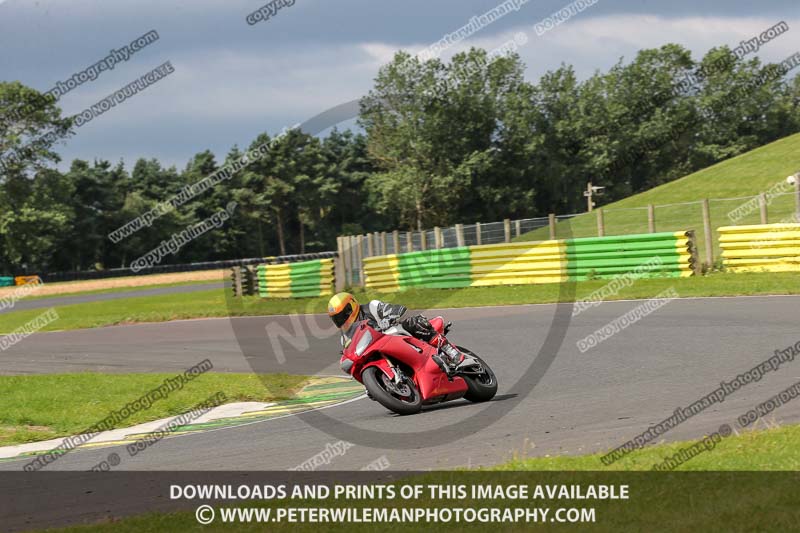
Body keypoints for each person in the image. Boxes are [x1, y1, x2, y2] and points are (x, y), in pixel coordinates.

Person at [327, 292, 464, 373]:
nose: (342, 319)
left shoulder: (371, 307)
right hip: (379, 349)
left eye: (343, 314)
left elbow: (396, 309)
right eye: (337, 318)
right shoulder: (345, 338)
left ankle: (451, 351)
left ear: (351, 307)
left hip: (395, 334)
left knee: (413, 322)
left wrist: (388, 318)